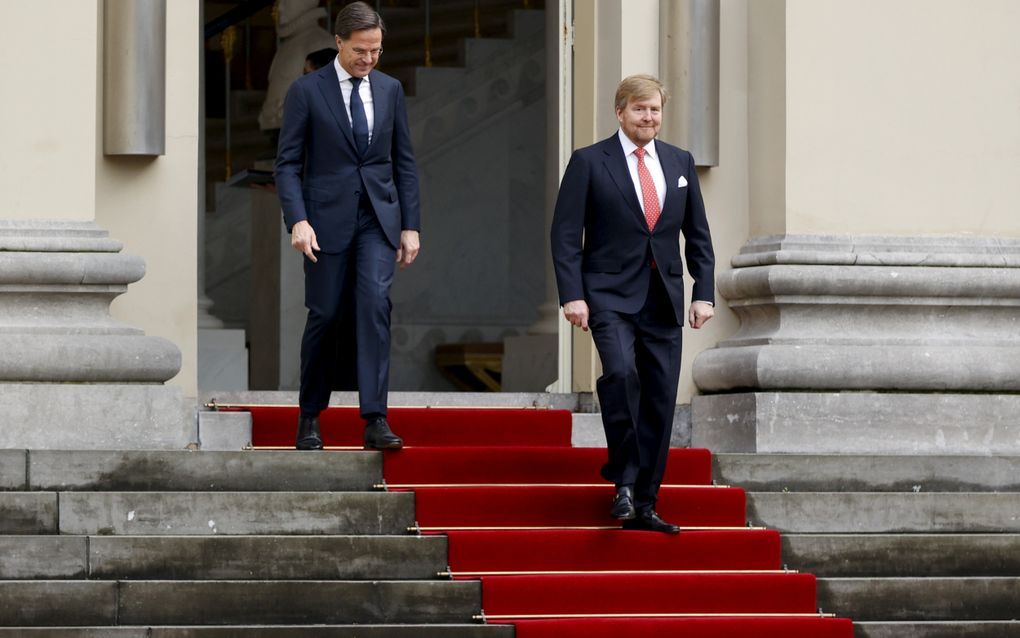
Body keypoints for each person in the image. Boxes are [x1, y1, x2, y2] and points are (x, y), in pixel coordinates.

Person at [550, 74, 715, 534]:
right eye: (640, 109)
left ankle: (644, 501)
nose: (649, 118)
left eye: (655, 110)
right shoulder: (588, 162)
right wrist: (572, 295)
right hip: (607, 295)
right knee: (621, 375)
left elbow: (697, 235)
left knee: (661, 399)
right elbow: (565, 236)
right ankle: (623, 479)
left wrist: (704, 292)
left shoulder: (679, 161)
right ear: (620, 112)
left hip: (663, 297)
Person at [275, 1, 421, 451]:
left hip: (378, 218)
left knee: (375, 305)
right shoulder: (306, 91)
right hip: (324, 221)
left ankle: (375, 418)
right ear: (338, 43)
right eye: (361, 50)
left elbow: (404, 163)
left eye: (376, 50)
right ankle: (309, 417)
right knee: (326, 314)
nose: (369, 58)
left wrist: (410, 225)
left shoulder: (391, 89)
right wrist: (297, 220)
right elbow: (287, 165)